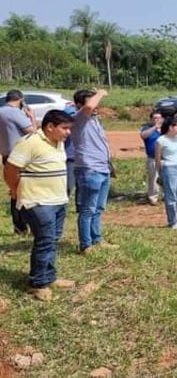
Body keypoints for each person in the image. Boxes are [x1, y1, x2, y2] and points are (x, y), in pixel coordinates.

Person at [5, 110, 75, 301]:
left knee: (52, 239)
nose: (68, 132)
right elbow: (11, 169)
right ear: (50, 127)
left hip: (58, 200)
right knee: (45, 241)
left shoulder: (58, 143)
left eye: (69, 128)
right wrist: (15, 189)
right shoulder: (29, 143)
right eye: (65, 128)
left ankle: (49, 277)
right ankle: (37, 283)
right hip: (36, 201)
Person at [71, 89, 118, 254]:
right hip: (89, 169)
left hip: (102, 168)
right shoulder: (79, 118)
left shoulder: (93, 120)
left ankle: (96, 239)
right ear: (78, 105)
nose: (96, 105)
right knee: (87, 209)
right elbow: (89, 106)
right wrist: (100, 93)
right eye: (91, 101)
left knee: (98, 208)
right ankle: (86, 245)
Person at [0, 89, 36, 234]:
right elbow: (32, 131)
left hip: (6, 156)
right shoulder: (15, 113)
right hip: (20, 156)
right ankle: (28, 223)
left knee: (14, 190)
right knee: (26, 190)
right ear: (21, 99)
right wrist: (31, 117)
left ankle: (19, 226)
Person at [140, 111, 164, 205]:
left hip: (164, 158)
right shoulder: (147, 128)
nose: (157, 120)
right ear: (151, 119)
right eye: (155, 118)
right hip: (152, 158)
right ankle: (153, 197)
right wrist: (155, 128)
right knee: (153, 178)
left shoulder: (165, 128)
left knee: (166, 178)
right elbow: (143, 135)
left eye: (159, 118)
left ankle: (166, 195)